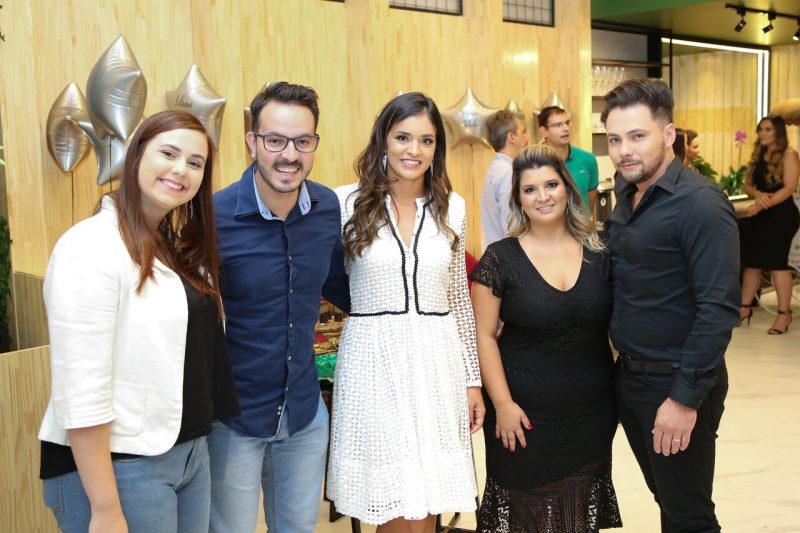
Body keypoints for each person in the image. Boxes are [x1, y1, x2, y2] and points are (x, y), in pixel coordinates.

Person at [38, 110, 239, 533]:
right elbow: (81, 390)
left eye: (195, 162)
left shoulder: (172, 246)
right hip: (123, 465)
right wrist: (105, 508)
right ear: (137, 156)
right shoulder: (89, 247)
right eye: (169, 153)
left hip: (187, 452)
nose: (181, 169)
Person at [327, 92, 484, 532]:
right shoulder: (343, 203)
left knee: (428, 496)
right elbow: (328, 279)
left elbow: (458, 299)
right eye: (403, 137)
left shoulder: (453, 206)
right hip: (373, 362)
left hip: (437, 362)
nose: (414, 150)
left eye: (426, 140)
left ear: (437, 149)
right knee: (391, 497)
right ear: (383, 140)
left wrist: (472, 380)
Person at [209, 82, 350, 533]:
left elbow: (344, 287)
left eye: (302, 141)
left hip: (304, 412)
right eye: (275, 140)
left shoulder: (327, 207)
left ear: (315, 144)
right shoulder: (214, 215)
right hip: (234, 417)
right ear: (252, 142)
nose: (289, 154)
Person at [602, 79, 740, 532]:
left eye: (637, 136)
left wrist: (683, 399)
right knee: (669, 499)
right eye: (615, 139)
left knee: (688, 517)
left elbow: (718, 308)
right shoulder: (627, 195)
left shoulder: (700, 204)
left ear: (668, 134)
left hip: (676, 382)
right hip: (631, 378)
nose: (624, 151)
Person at [470, 144, 622, 533]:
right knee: (527, 516)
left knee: (576, 518)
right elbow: (483, 336)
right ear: (518, 199)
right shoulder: (500, 259)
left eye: (551, 185)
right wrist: (502, 404)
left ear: (567, 188)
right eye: (530, 189)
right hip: (522, 415)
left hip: (591, 414)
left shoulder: (600, 253)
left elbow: (619, 327)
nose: (543, 196)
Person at [738, 115, 800, 334]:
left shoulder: (789, 155)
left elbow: (789, 188)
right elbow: (747, 186)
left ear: (778, 132)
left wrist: (761, 205)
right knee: (752, 263)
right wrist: (758, 195)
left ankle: (784, 315)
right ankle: (744, 309)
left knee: (777, 264)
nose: (762, 133)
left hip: (782, 215)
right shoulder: (758, 154)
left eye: (768, 129)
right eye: (760, 129)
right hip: (762, 214)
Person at [538, 105, 599, 217]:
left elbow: (590, 203)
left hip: (581, 226)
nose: (566, 128)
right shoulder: (534, 162)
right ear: (544, 131)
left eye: (567, 123)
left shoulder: (588, 160)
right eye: (558, 125)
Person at [481, 109, 529, 249]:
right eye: (523, 132)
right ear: (511, 137)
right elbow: (512, 225)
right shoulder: (509, 172)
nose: (527, 138)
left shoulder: (494, 169)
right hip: (509, 253)